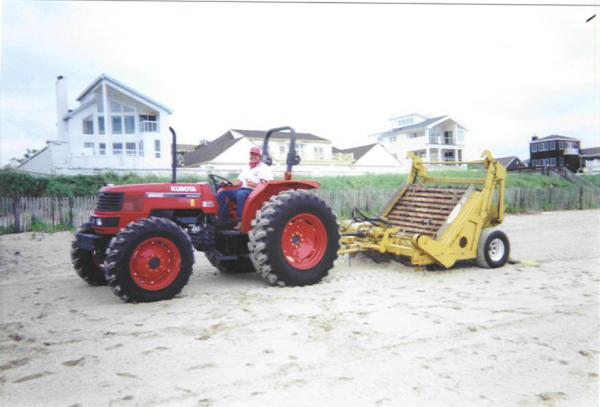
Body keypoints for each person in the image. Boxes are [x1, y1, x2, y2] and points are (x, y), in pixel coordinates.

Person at [217, 146, 273, 228]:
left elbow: (268, 184)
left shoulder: (265, 168)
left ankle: (241, 221)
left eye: (255, 155)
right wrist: (227, 183)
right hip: (243, 189)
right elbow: (239, 181)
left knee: (241, 194)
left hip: (256, 192)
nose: (253, 156)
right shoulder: (246, 167)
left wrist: (256, 184)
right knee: (223, 192)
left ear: (260, 157)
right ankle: (224, 219)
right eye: (252, 154)